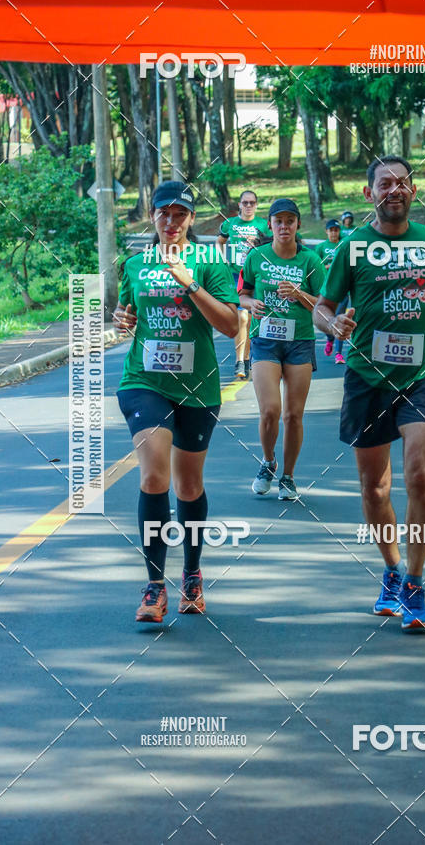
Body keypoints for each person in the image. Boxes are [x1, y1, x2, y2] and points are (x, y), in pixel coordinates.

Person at [314, 156, 425, 631]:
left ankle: (414, 585)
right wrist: (333, 323)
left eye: (403, 183)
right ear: (369, 192)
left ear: (413, 192)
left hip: (423, 372)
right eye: (385, 183)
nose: (395, 190)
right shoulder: (352, 247)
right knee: (375, 488)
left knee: (420, 477)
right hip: (367, 376)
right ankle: (393, 569)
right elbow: (323, 307)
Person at [114, 180, 239, 623]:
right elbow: (126, 317)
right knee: (153, 477)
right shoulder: (134, 264)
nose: (171, 221)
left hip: (198, 388)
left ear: (191, 218)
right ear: (152, 216)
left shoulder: (209, 262)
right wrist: (122, 319)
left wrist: (191, 287)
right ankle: (152, 587)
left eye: (180, 214)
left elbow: (231, 327)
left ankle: (191, 573)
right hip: (143, 381)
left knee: (188, 486)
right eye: (163, 213)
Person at [240, 198, 326, 501]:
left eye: (290, 221)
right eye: (279, 221)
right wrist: (252, 305)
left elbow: (325, 305)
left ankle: (288, 476)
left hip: (300, 342)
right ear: (270, 225)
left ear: (297, 225)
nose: (284, 226)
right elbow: (243, 295)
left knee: (293, 415)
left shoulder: (311, 261)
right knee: (270, 411)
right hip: (264, 340)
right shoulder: (256, 257)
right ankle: (268, 461)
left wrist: (300, 293)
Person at [216, 190, 269, 379]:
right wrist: (222, 262)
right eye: (245, 203)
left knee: (253, 319)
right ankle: (240, 361)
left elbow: (271, 244)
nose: (248, 206)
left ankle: (248, 359)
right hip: (236, 274)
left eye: (252, 203)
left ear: (256, 205)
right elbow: (220, 242)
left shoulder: (263, 224)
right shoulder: (229, 224)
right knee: (242, 318)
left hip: (256, 275)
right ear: (239, 204)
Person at [314, 219, 348, 365]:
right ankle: (329, 339)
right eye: (331, 230)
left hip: (342, 288)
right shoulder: (321, 247)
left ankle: (339, 354)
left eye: (336, 230)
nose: (334, 232)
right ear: (326, 231)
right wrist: (327, 267)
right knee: (328, 318)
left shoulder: (344, 245)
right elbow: (315, 267)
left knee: (340, 317)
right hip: (327, 289)